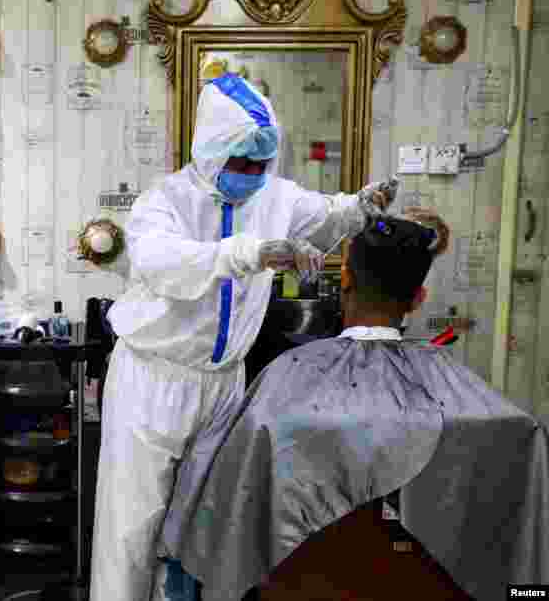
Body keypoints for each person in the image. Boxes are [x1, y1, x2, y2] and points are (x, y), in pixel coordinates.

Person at [90, 71, 400, 601]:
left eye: (262, 163)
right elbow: (163, 263)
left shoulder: (275, 194)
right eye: (241, 163)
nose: (253, 174)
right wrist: (248, 253)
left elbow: (327, 218)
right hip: (154, 378)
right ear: (210, 153)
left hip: (224, 383)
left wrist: (361, 206)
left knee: (205, 522)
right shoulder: (163, 202)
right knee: (133, 523)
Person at [164, 210, 549, 600]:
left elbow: (229, 488)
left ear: (345, 279)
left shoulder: (286, 379)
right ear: (418, 299)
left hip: (302, 581)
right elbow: (519, 442)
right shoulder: (473, 400)